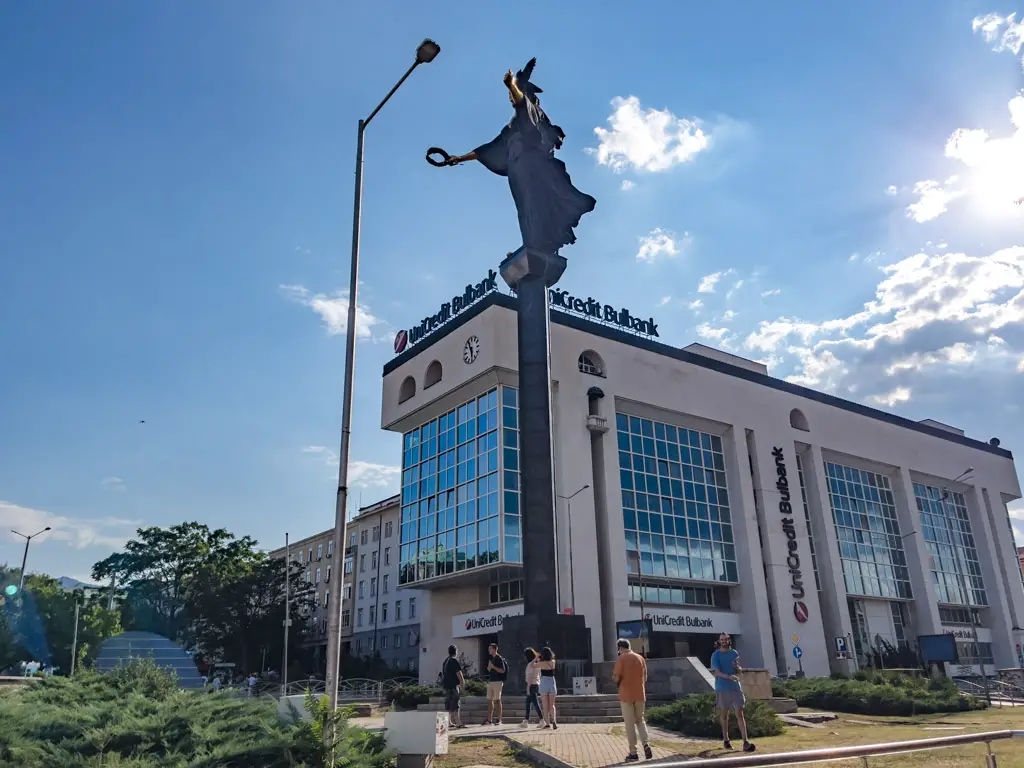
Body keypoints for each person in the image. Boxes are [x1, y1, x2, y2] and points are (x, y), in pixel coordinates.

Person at [441, 58, 596, 256]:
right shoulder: (511, 127)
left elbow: (524, 106)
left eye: (512, 94)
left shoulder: (533, 113)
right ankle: (531, 243)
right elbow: (489, 149)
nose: (510, 98)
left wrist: (512, 85)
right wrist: (459, 158)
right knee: (524, 207)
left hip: (531, 165)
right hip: (517, 168)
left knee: (535, 204)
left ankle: (539, 244)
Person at [710, 633, 755, 752]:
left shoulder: (734, 653)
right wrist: (728, 677)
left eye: (726, 639)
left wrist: (738, 669)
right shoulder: (716, 655)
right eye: (722, 640)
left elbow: (737, 668)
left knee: (740, 713)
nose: (724, 641)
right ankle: (726, 739)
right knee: (724, 714)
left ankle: (745, 741)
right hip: (722, 687)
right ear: (719, 641)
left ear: (729, 640)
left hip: (735, 687)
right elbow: (717, 673)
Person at [612, 638, 653, 762]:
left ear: (620, 648)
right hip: (640, 694)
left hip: (626, 695)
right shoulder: (640, 658)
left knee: (630, 724)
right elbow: (645, 677)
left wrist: (616, 680)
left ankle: (633, 752)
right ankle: (646, 744)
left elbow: (616, 677)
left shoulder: (621, 659)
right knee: (640, 720)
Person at [441, 644, 466, 729]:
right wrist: (462, 682)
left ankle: (448, 722)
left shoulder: (446, 661)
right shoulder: (454, 660)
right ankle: (458, 722)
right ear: (455, 652)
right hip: (453, 685)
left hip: (446, 685)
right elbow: (458, 673)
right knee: (455, 703)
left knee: (448, 704)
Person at [485, 643, 507, 725]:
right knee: (489, 700)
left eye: (490, 648)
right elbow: (490, 670)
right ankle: (489, 720)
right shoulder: (492, 659)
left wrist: (493, 667)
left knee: (497, 700)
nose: (489, 650)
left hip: (497, 681)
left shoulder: (499, 658)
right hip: (490, 681)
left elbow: (502, 670)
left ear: (494, 649)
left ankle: (499, 719)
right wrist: (489, 668)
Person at [521, 647, 545, 727]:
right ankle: (526, 721)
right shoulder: (536, 664)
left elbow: (530, 677)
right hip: (536, 684)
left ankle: (542, 720)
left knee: (535, 703)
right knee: (528, 703)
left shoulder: (530, 664)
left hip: (531, 685)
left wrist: (528, 687)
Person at [536, 646, 558, 730]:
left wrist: (537, 657)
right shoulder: (553, 662)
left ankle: (547, 723)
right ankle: (554, 720)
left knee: (545, 705)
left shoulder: (541, 663)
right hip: (552, 682)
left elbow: (533, 665)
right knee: (552, 705)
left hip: (544, 682)